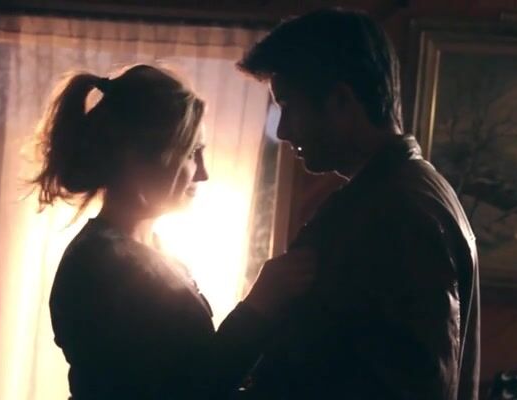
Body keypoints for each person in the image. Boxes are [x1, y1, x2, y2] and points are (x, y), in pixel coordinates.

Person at [236, 8, 480, 400]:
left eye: (288, 106)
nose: (282, 130)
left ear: (341, 101)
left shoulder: (395, 211)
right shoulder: (410, 193)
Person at [32, 64, 314, 399]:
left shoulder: (144, 251)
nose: (203, 173)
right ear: (137, 157)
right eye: (192, 153)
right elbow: (185, 389)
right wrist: (259, 306)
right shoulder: (100, 266)